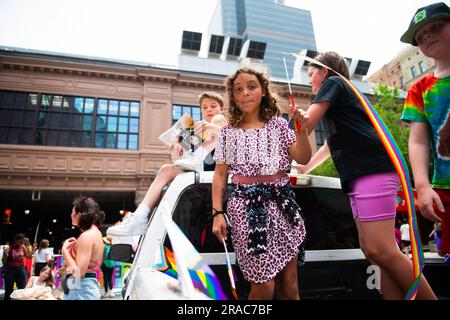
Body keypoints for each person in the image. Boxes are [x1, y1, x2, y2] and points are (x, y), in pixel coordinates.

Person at [294, 51, 436, 299]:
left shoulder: (334, 83)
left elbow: (306, 125)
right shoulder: (340, 103)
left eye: (311, 74)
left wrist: (277, 136)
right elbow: (329, 144)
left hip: (372, 169)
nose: (309, 81)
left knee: (383, 250)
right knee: (372, 250)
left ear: (324, 72)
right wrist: (306, 168)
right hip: (359, 175)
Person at [212, 67, 312, 300]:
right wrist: (217, 212)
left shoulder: (278, 125)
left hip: (283, 207)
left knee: (290, 287)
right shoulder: (228, 131)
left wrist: (302, 130)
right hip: (246, 210)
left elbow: (303, 158)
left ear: (263, 91)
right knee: (264, 286)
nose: (245, 93)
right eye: (239, 89)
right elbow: (220, 175)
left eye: (252, 86)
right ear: (233, 96)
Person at [107, 91, 227, 237]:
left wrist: (213, 129)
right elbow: (182, 161)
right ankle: (140, 217)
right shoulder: (197, 131)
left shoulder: (225, 123)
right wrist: (178, 150)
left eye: (213, 106)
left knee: (217, 121)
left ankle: (196, 157)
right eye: (204, 107)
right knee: (165, 170)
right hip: (199, 171)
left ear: (222, 108)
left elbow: (234, 142)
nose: (209, 109)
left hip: (220, 172)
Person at [400, 2, 450, 259]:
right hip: (446, 188)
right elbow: (418, 141)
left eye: (436, 26)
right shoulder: (419, 90)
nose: (427, 35)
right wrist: (421, 185)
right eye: (420, 37)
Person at [60, 196, 105, 300]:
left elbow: (79, 273)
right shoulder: (96, 233)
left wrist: (64, 251)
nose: (71, 215)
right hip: (84, 288)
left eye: (72, 211)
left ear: (79, 214)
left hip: (81, 290)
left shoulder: (87, 236)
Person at [2, 233, 33, 300]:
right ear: (15, 240)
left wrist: (33, 249)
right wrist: (5, 253)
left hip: (20, 269)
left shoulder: (23, 246)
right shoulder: (9, 247)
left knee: (22, 287)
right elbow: (4, 261)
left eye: (22, 241)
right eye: (20, 241)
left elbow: (28, 256)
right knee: (9, 289)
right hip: (10, 269)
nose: (21, 243)